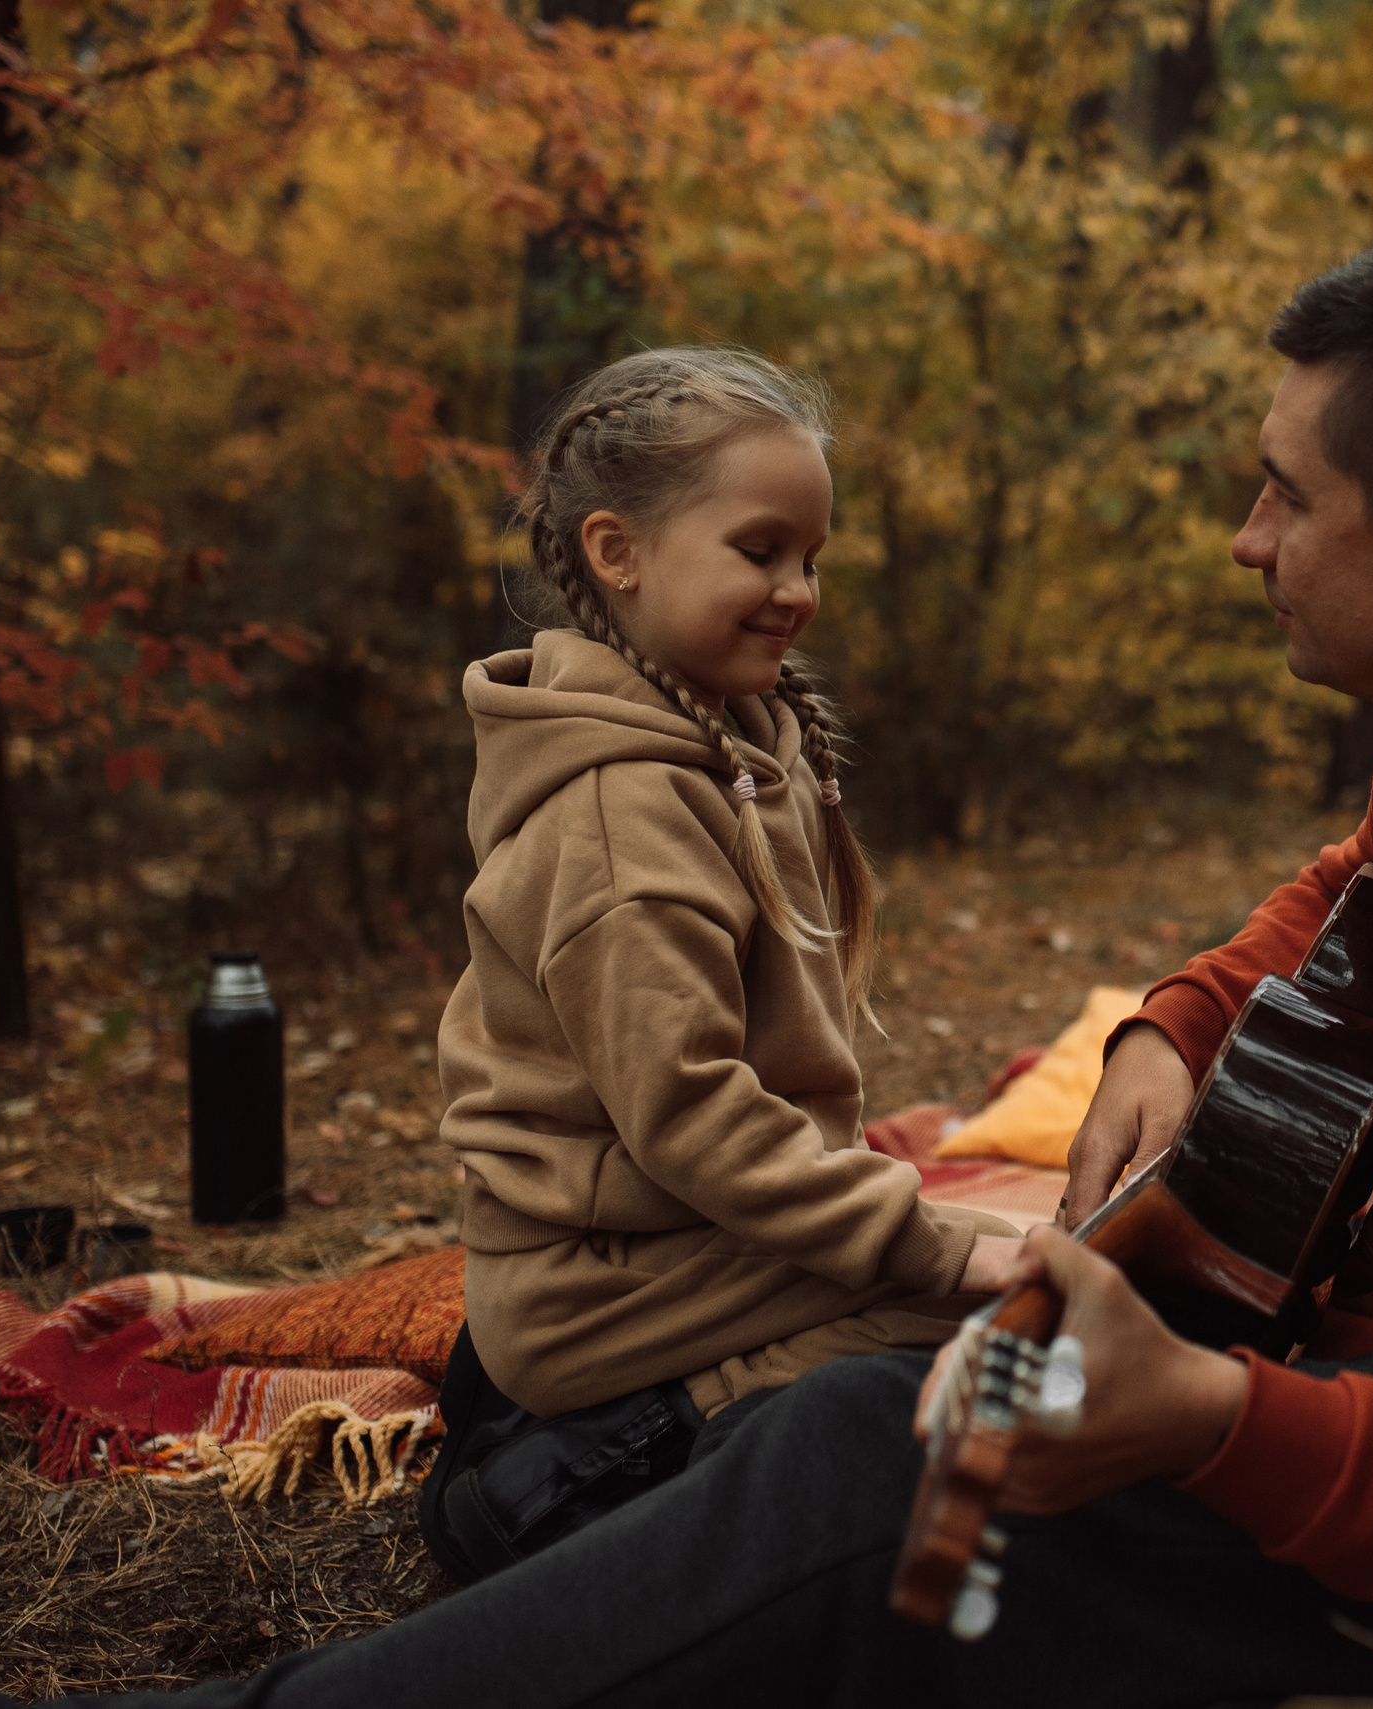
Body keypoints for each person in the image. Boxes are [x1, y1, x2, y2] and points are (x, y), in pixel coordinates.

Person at [0, 234, 1373, 1709]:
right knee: (835, 1464)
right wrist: (1178, 1018)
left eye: (1281, 491)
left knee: (862, 1455)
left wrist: (1212, 1420)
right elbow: (1323, 906)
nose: (1242, 535)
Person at [418, 348, 1027, 1577]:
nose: (797, 588)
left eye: (811, 557)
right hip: (607, 1287)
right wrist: (938, 1246)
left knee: (1048, 1256)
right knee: (1005, 1308)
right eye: (760, 551)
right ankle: (597, 1467)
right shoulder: (621, 819)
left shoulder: (728, 734)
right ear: (615, 549)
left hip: (688, 1231)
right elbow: (692, 1114)